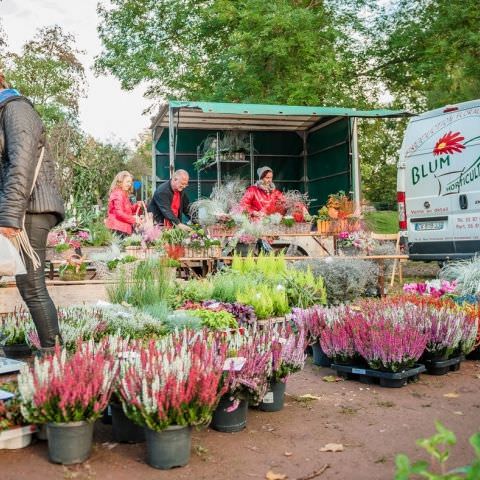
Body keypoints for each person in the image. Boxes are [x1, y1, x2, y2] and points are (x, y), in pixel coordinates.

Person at [0, 73, 65, 354]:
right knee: (29, 283)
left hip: (31, 208)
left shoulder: (16, 108)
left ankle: (54, 355)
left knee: (32, 285)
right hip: (24, 206)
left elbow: (21, 164)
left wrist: (9, 216)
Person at [105, 171, 142, 237]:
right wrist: (134, 220)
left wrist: (136, 205)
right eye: (127, 182)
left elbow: (128, 210)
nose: (129, 184)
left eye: (130, 182)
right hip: (118, 228)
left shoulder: (122, 193)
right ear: (120, 181)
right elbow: (119, 213)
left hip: (121, 228)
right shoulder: (118, 194)